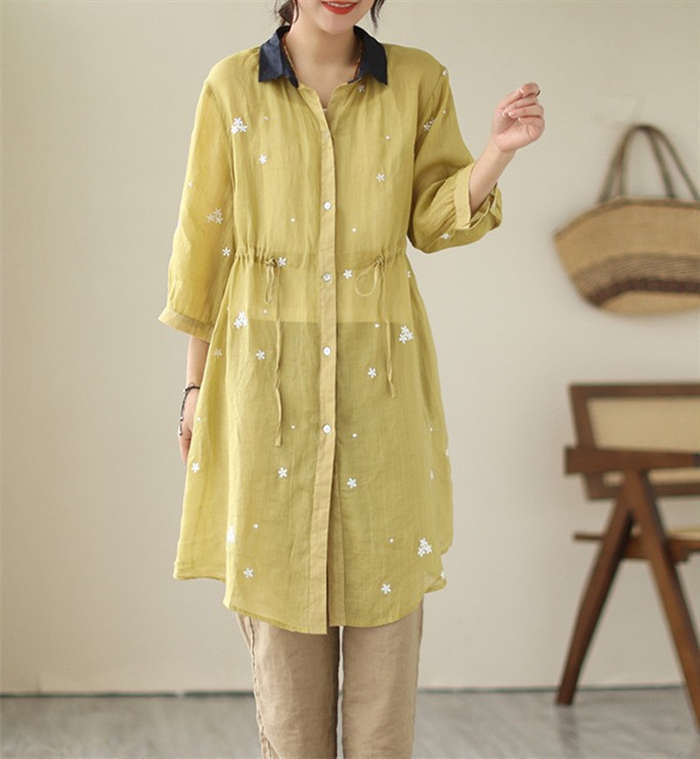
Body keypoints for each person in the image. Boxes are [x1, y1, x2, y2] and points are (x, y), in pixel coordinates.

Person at [158, 0, 544, 756]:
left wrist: (496, 154)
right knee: (287, 692)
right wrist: (194, 389)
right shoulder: (232, 86)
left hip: (381, 392)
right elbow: (204, 247)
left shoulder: (418, 81)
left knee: (383, 692)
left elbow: (431, 220)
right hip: (266, 393)